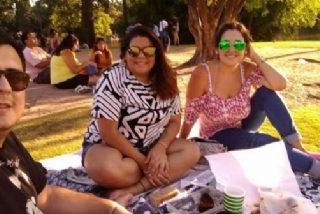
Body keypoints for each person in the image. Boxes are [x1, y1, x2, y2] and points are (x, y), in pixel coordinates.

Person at [0, 24, 132, 214]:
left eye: (15, 77)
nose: (5, 87)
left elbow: (45, 196)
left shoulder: (4, 140)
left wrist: (111, 210)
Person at [179, 21, 320, 180]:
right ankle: (314, 168)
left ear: (245, 49)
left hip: (241, 125)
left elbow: (280, 83)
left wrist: (255, 56)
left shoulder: (246, 69)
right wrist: (181, 144)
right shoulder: (203, 74)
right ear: (216, 48)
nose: (232, 50)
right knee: (261, 140)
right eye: (225, 44)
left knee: (266, 93)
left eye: (238, 45)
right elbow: (190, 115)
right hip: (216, 136)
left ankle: (297, 147)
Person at [81, 26, 201, 200]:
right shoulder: (112, 79)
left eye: (149, 51)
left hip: (152, 145)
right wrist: (146, 164)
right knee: (105, 167)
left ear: (157, 54)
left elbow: (175, 120)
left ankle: (136, 188)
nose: (141, 56)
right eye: (134, 51)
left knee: (192, 152)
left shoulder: (167, 78)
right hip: (110, 147)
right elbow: (109, 133)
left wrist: (161, 147)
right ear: (125, 55)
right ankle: (151, 174)